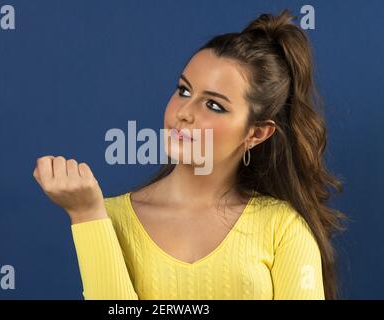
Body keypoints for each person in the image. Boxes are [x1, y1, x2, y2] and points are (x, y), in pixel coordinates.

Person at [33, 8, 347, 300]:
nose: (184, 112)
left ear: (256, 133)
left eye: (214, 105)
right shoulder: (106, 218)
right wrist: (86, 215)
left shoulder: (283, 228)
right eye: (184, 90)